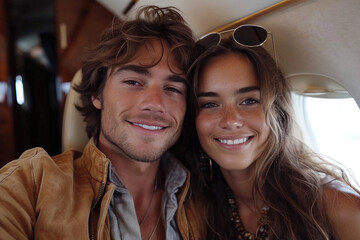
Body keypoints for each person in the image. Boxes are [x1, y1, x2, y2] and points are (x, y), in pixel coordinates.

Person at [0, 6, 205, 240]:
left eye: (172, 88)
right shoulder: (33, 184)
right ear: (97, 95)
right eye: (134, 82)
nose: (155, 103)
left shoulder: (205, 199)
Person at [186, 31, 360, 240]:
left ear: (277, 109)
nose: (230, 120)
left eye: (249, 101)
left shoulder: (338, 208)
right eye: (210, 104)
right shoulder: (196, 212)